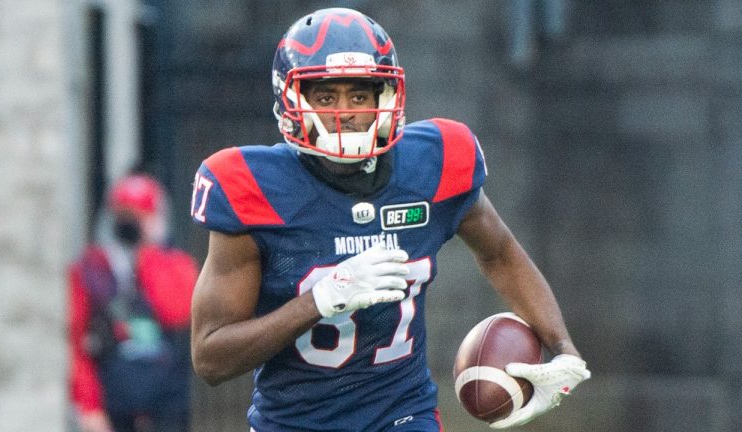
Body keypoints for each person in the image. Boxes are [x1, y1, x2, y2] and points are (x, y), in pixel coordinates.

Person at [189, 7, 590, 432]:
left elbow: (500, 252)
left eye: (359, 95)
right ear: (293, 102)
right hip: (291, 424)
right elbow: (210, 357)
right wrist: (321, 301)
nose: (344, 112)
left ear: (386, 97)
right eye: (325, 97)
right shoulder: (252, 187)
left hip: (402, 415)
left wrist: (563, 348)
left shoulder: (433, 163)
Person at [68, 173, 198, 432]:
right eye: (124, 216)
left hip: (165, 407)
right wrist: (89, 407)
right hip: (112, 408)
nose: (130, 224)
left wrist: (147, 253)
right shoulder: (91, 270)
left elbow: (177, 312)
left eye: (140, 217)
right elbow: (76, 343)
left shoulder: (176, 265)